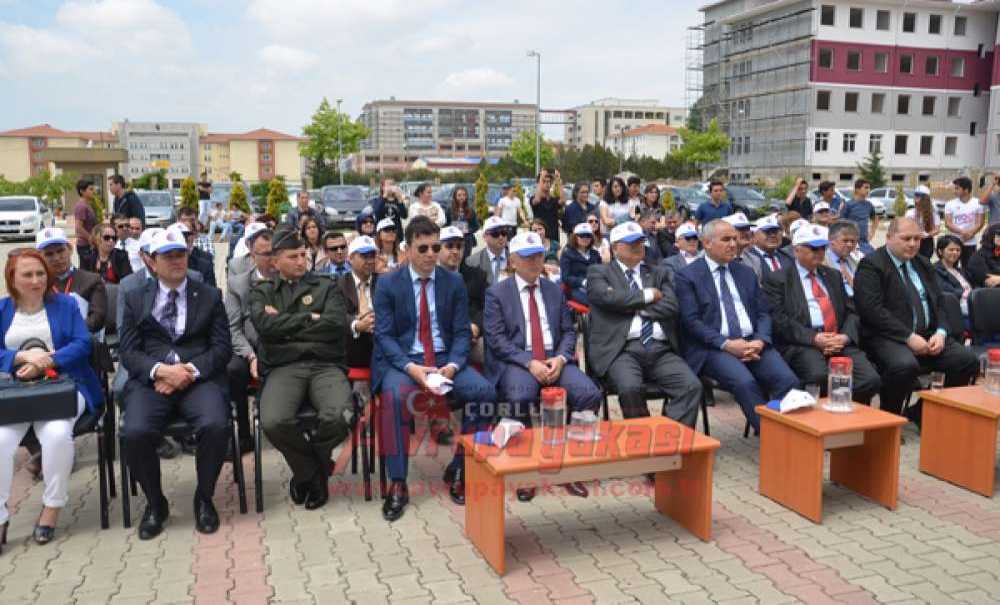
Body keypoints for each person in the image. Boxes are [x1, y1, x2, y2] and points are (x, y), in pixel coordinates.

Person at [372, 217, 495, 520]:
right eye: (423, 248)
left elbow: (462, 332)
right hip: (405, 360)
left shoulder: (453, 282)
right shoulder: (388, 283)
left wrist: (452, 365)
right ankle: (398, 482)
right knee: (393, 399)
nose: (431, 254)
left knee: (484, 392)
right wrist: (411, 368)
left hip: (443, 359)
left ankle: (461, 467)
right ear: (407, 249)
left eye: (435, 247)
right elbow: (384, 336)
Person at [119, 229, 232, 539]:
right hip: (152, 381)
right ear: (151, 262)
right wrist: (161, 371)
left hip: (198, 379)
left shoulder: (209, 295)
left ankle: (204, 498)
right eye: (167, 256)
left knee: (216, 425)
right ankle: (156, 504)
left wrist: (188, 372)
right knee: (134, 432)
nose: (175, 261)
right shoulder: (134, 298)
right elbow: (128, 352)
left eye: (180, 254)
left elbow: (222, 348)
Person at [485, 231, 600, 501]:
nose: (535, 262)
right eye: (527, 257)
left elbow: (568, 331)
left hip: (553, 357)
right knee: (519, 396)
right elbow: (496, 339)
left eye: (538, 256)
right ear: (513, 261)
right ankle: (526, 471)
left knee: (588, 394)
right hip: (519, 359)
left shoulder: (553, 290)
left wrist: (560, 359)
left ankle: (569, 466)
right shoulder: (497, 293)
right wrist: (529, 363)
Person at [0, 249, 102, 549]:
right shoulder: (3, 309)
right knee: (1, 441)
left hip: (64, 386)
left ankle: (52, 507)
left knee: (57, 435)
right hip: (16, 392)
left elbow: (83, 343)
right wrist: (20, 358)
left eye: (40, 274)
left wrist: (47, 361)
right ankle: (1, 516)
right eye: (27, 275)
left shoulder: (66, 305)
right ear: (12, 279)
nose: (36, 280)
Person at [250, 227, 353, 510]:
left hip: (325, 363)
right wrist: (310, 317)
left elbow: (335, 325)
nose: (301, 261)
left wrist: (286, 322)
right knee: (273, 421)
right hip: (285, 366)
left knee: (341, 415)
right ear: (275, 261)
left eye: (303, 255)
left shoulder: (326, 286)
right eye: (293, 256)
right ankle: (313, 472)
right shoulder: (264, 291)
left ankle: (309, 470)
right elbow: (265, 327)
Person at [674, 220, 799, 432]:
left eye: (734, 239)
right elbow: (691, 322)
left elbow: (763, 313)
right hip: (714, 347)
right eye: (726, 239)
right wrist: (727, 344)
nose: (733, 244)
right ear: (707, 243)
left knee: (788, 380)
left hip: (752, 343)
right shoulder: (688, 276)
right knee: (745, 383)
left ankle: (780, 429)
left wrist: (760, 340)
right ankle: (773, 436)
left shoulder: (745, 273)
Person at [854, 218, 979, 426]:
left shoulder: (922, 263)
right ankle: (889, 419)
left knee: (967, 361)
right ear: (889, 238)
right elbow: (871, 311)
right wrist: (908, 337)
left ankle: (924, 411)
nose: (912, 244)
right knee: (904, 366)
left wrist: (941, 332)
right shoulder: (872, 265)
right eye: (906, 239)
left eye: (917, 239)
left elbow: (939, 302)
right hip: (888, 336)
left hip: (928, 334)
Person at [586, 222, 703, 427]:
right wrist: (648, 296)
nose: (638, 246)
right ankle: (643, 434)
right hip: (621, 350)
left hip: (660, 349)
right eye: (631, 243)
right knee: (630, 388)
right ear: (615, 247)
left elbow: (671, 306)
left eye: (640, 242)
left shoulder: (659, 272)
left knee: (691, 386)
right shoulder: (599, 272)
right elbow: (606, 298)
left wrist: (632, 306)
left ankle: (670, 437)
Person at [763, 224, 881, 404]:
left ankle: (843, 411)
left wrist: (845, 337)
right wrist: (814, 338)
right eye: (813, 248)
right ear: (796, 250)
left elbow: (852, 311)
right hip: (804, 342)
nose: (819, 253)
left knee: (869, 380)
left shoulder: (833, 275)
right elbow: (779, 319)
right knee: (818, 376)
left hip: (837, 339)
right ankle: (819, 416)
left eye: (822, 248)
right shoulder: (779, 279)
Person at [224, 228, 273, 456]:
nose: (272, 258)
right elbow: (233, 329)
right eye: (266, 254)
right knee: (232, 369)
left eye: (275, 252)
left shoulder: (288, 278)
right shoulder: (238, 284)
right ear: (252, 256)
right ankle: (244, 434)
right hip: (248, 345)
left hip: (279, 344)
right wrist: (251, 355)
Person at [37, 228, 106, 334]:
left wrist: (67, 334)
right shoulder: (37, 285)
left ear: (70, 249)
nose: (56, 258)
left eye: (60, 251)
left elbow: (97, 319)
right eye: (49, 254)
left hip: (84, 338)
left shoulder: (92, 280)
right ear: (40, 257)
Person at [439, 226, 488, 367]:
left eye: (459, 246)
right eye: (449, 246)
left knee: (491, 349)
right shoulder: (430, 277)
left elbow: (489, 307)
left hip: (473, 337)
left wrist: (476, 326)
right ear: (438, 249)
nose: (455, 251)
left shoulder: (478, 275)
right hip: (442, 339)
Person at [341, 235, 379, 369]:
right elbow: (336, 314)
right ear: (350, 258)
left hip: (380, 345)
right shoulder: (338, 284)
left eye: (372, 256)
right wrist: (356, 324)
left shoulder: (384, 282)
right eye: (364, 256)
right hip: (350, 351)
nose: (370, 261)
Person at [945, 176, 986, 269]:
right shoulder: (950, 204)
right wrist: (963, 232)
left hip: (970, 242)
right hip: (954, 242)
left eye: (957, 188)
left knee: (969, 268)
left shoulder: (978, 203)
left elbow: (980, 222)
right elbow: (948, 223)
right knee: (951, 268)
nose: (954, 191)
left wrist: (971, 234)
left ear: (966, 190)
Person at [560, 222, 601, 306]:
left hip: (596, 286)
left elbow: (601, 271)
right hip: (577, 288)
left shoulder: (595, 253)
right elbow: (565, 277)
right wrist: (583, 282)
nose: (585, 238)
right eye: (582, 235)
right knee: (597, 303)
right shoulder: (567, 254)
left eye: (588, 235)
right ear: (575, 237)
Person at [933, 235, 974, 317]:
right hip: (954, 310)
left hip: (971, 304)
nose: (955, 252)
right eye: (951, 250)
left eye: (958, 250)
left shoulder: (960, 270)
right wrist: (969, 294)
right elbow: (946, 290)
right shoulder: (935, 270)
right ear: (940, 251)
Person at [465, 216, 512, 286]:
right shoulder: (472, 261)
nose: (501, 237)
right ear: (484, 237)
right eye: (495, 234)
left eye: (504, 232)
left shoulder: (516, 259)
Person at [169, 222, 216, 289]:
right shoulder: (160, 267)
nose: (184, 241)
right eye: (177, 238)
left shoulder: (204, 266)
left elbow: (211, 292)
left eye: (186, 238)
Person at [824, 220, 861, 298]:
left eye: (853, 241)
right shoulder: (821, 263)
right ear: (831, 240)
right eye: (845, 240)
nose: (850, 244)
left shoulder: (856, 262)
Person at [841, 179, 878, 255]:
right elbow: (841, 223)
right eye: (866, 187)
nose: (868, 190)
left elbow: (875, 218)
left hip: (864, 242)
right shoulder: (848, 204)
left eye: (869, 188)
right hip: (851, 242)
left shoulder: (869, 205)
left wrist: (872, 233)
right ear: (857, 189)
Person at [750, 214, 793, 279]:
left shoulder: (788, 257)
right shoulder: (747, 259)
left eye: (775, 231)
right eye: (767, 232)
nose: (773, 235)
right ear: (754, 235)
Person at [906, 185, 941, 259]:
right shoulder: (909, 212)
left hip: (926, 243)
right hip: (913, 240)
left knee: (925, 262)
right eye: (915, 195)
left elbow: (937, 230)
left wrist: (927, 234)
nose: (915, 197)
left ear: (925, 198)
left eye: (918, 195)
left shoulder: (933, 213)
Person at [724, 213, 762, 280]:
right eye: (741, 229)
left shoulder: (754, 260)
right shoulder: (716, 259)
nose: (746, 233)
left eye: (748, 229)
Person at [446, 185, 479, 258]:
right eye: (459, 195)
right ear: (455, 196)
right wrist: (451, 229)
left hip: (467, 240)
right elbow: (446, 224)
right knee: (454, 259)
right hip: (453, 239)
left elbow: (476, 226)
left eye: (464, 195)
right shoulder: (449, 209)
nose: (462, 197)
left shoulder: (471, 210)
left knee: (465, 261)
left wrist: (467, 230)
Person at [530, 169, 561, 241]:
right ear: (539, 183)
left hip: (553, 234)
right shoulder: (534, 198)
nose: (547, 184)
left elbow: (562, 201)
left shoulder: (554, 199)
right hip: (539, 234)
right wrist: (541, 176)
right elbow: (537, 200)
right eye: (544, 181)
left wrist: (558, 180)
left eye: (549, 182)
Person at [967, 222, 1000, 289]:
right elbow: (989, 281)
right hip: (987, 292)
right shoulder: (979, 256)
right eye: (999, 235)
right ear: (991, 236)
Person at [73, 179, 98, 262]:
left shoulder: (88, 205)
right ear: (82, 191)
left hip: (90, 244)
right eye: (91, 189)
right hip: (85, 245)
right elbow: (78, 227)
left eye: (93, 189)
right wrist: (91, 239)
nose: (93, 191)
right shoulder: (81, 206)